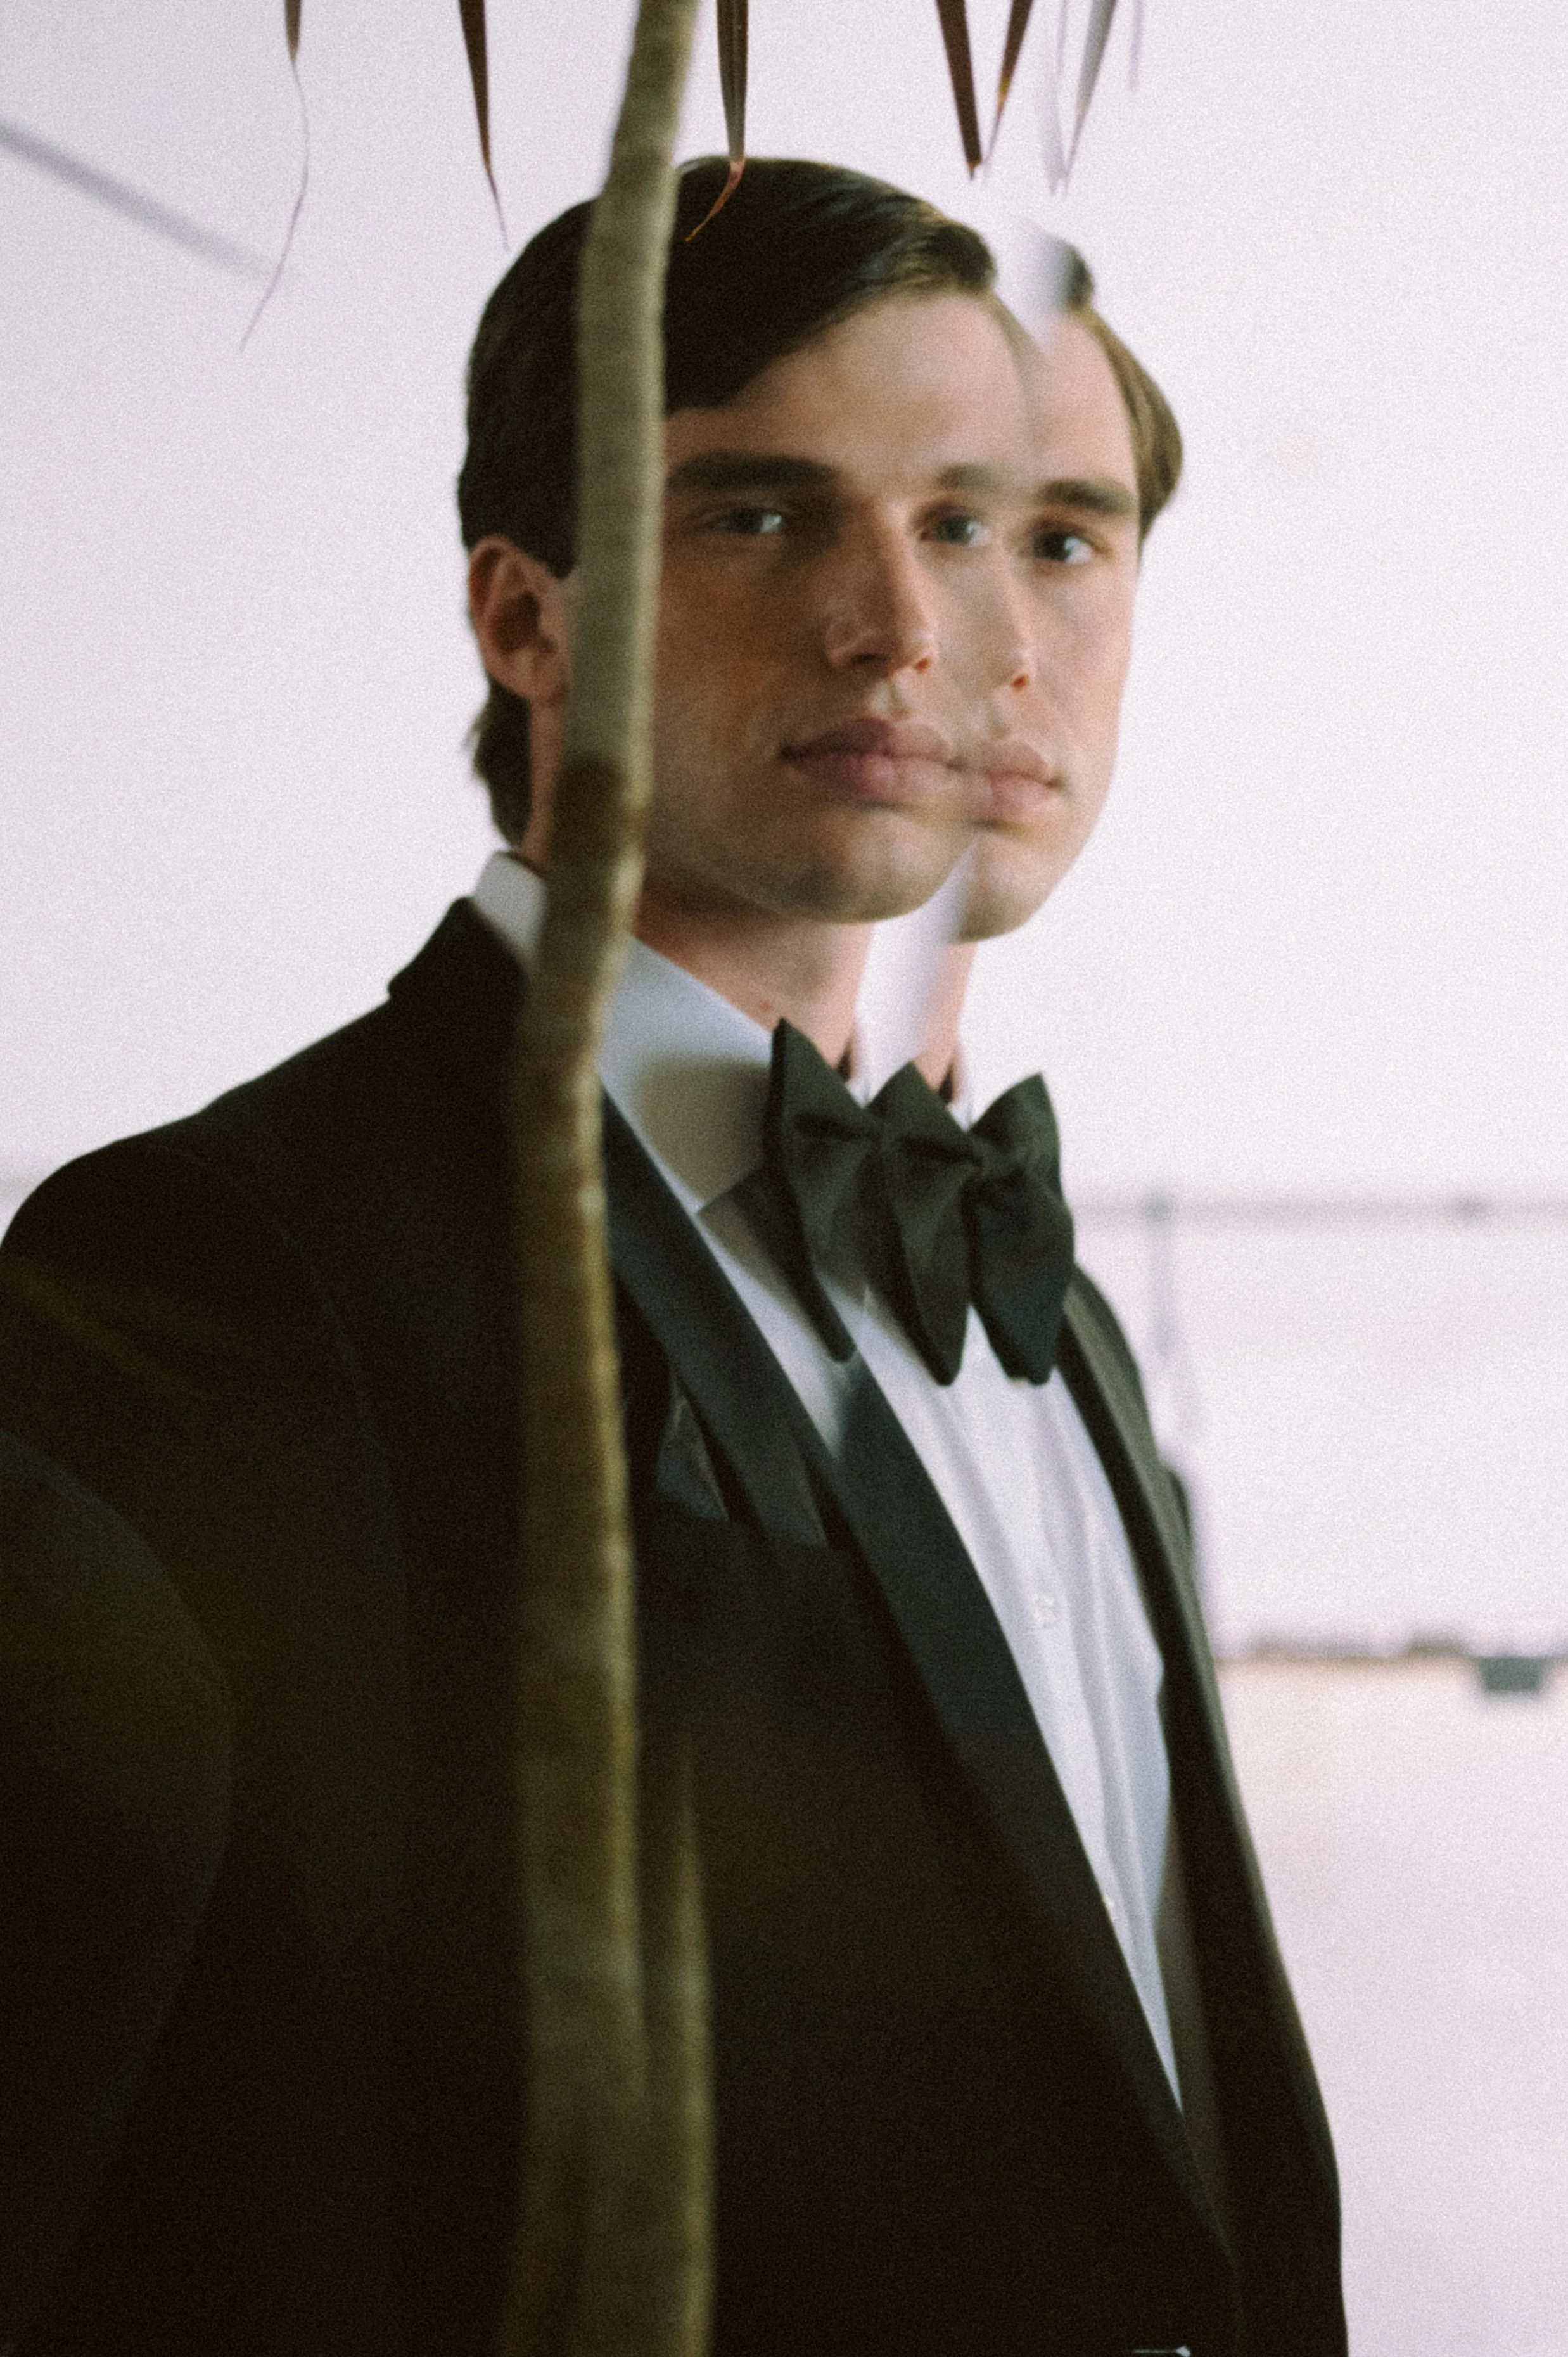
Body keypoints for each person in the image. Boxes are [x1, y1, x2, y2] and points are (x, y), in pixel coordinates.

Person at [0, 157, 1345, 2356]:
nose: (920, 630)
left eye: (1039, 536)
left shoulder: (1060, 1319)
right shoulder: (229, 1271)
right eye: (766, 512)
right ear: (525, 618)